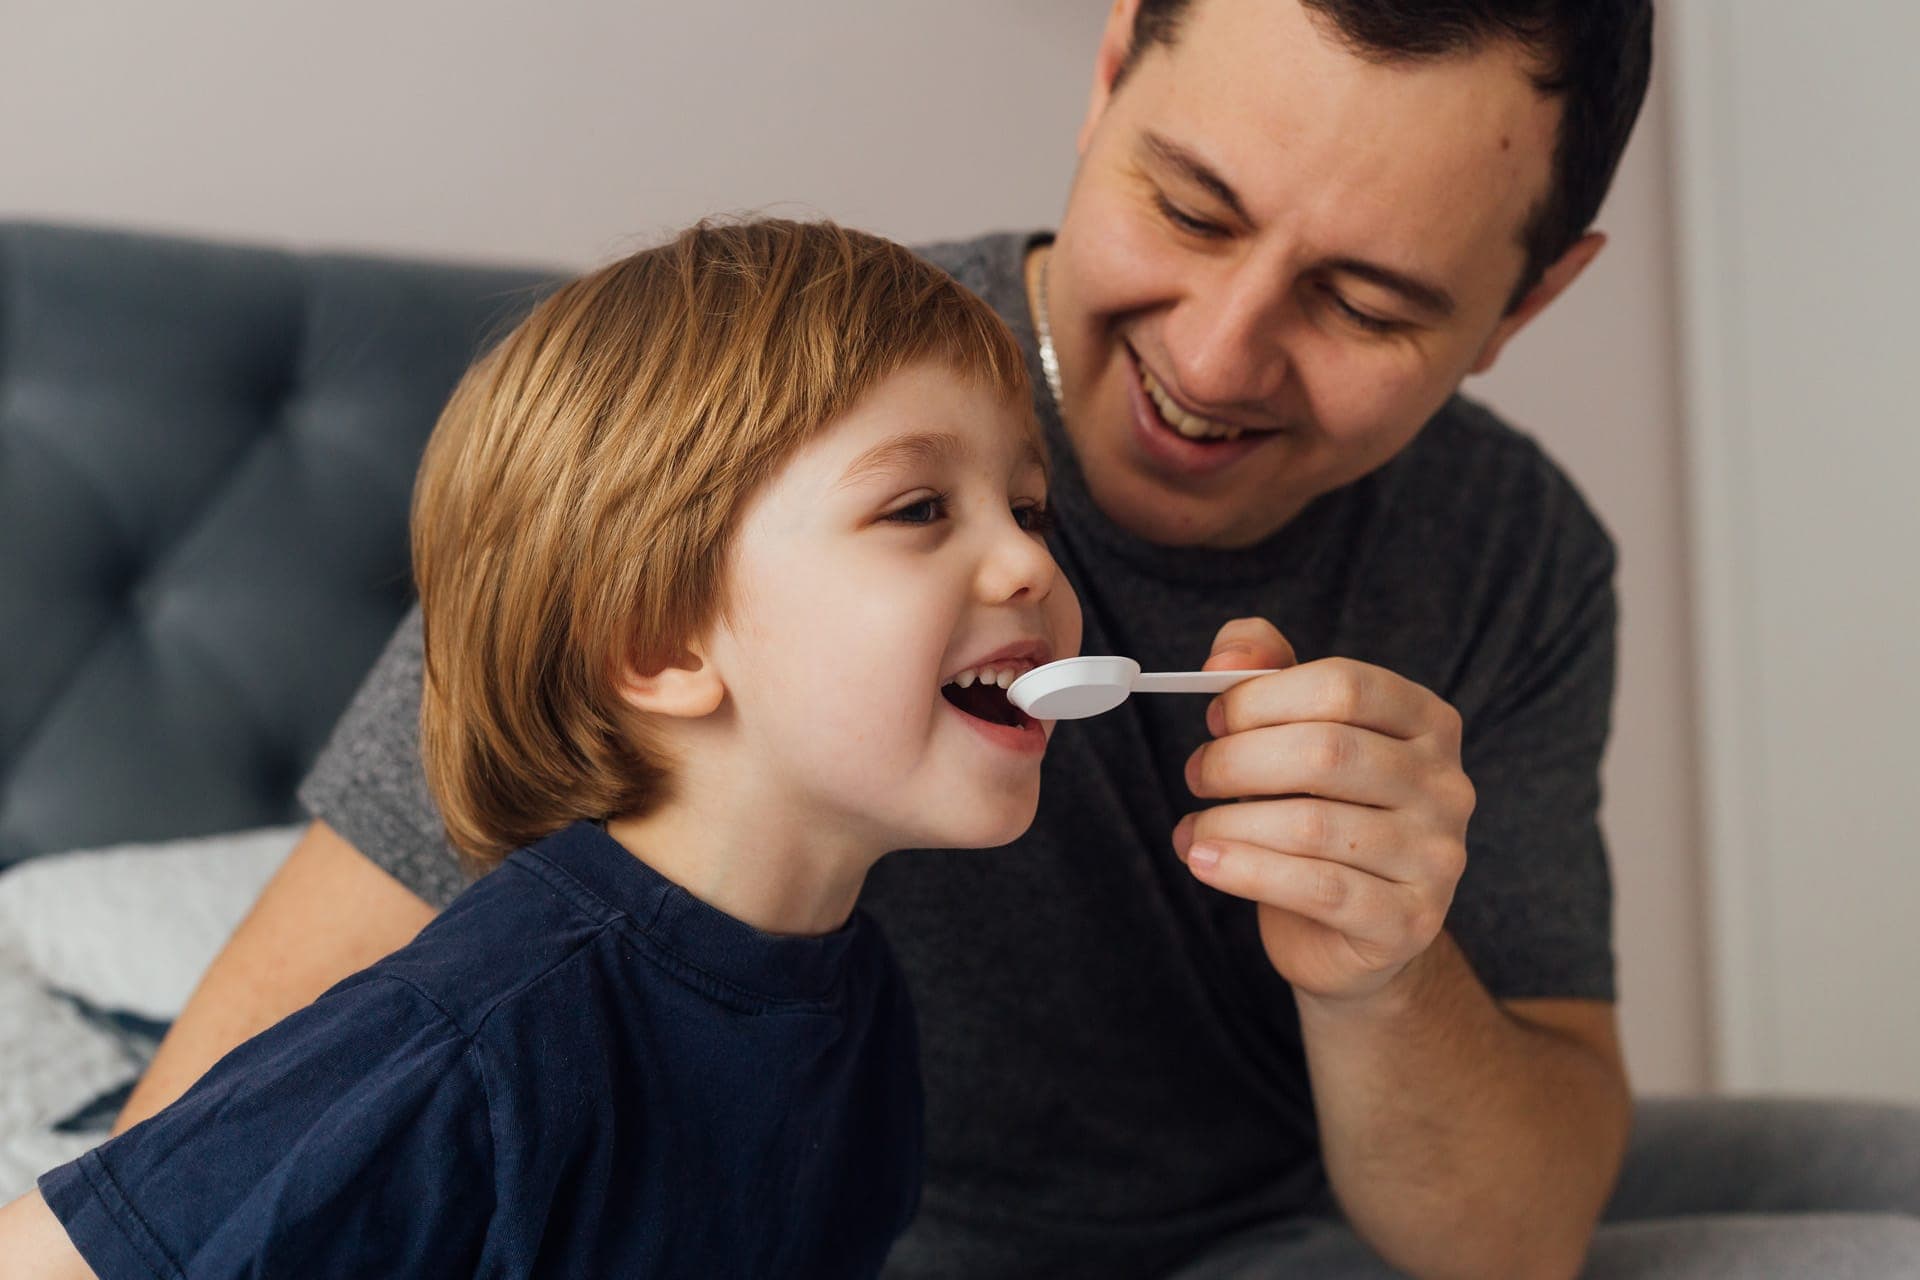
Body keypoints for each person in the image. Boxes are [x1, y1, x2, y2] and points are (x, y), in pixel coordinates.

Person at [94, 1, 1920, 1277]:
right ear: (1114, 65)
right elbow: (226, 1140)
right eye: (1188, 209)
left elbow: (1513, 1234)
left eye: (1365, 300)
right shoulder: (753, 442)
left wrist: (1378, 968)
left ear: (1532, 300)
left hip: (1326, 1203)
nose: (1211, 360)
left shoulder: (1509, 550)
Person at [0, 219, 1082, 1277]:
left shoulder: (860, 1007)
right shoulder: (474, 1036)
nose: (1027, 563)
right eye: (920, 507)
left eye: (1029, 510)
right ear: (659, 642)